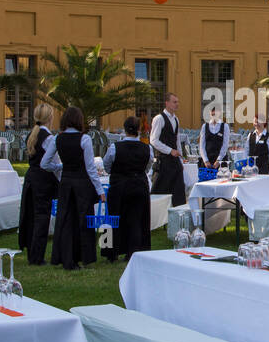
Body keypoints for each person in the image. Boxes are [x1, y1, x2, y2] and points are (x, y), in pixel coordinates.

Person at [41, 106, 105, 270]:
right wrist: (100, 190)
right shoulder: (84, 139)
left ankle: (66, 258)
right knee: (82, 222)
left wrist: (60, 167)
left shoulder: (57, 138)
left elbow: (44, 163)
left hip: (66, 183)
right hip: (82, 184)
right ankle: (82, 257)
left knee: (65, 221)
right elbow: (90, 168)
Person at [102, 115, 152, 262]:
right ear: (139, 130)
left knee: (114, 219)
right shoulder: (147, 148)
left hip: (119, 186)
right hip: (138, 186)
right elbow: (147, 167)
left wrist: (118, 172)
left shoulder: (114, 147)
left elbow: (107, 166)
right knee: (136, 220)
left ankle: (111, 253)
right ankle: (134, 251)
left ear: (124, 129)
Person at [18, 102, 56, 264]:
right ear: (50, 118)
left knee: (30, 216)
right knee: (42, 217)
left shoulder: (31, 135)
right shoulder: (48, 138)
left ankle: (31, 253)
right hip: (43, 180)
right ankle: (37, 256)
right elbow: (52, 162)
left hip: (31, 178)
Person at [150, 92, 187, 205]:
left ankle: (178, 214)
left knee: (179, 191)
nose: (177, 104)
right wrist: (170, 151)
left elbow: (177, 140)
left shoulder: (176, 119)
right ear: (167, 103)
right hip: (163, 160)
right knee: (160, 192)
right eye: (174, 102)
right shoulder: (159, 119)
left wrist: (180, 157)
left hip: (174, 162)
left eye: (177, 102)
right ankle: (157, 218)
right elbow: (153, 140)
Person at [198, 105, 231, 171]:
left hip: (221, 161)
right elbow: (202, 145)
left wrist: (218, 160)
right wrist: (205, 160)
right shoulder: (205, 126)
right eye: (212, 111)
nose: (214, 113)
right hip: (207, 161)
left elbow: (225, 145)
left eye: (216, 111)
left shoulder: (225, 126)